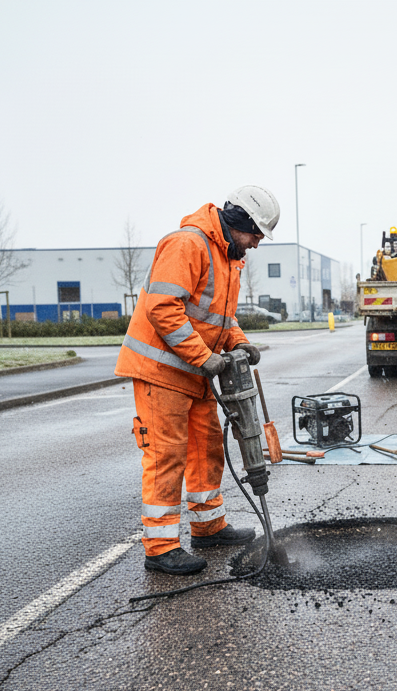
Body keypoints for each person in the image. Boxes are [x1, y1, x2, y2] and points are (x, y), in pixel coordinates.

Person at [114, 185, 281, 575]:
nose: (256, 244)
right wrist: (204, 358)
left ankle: (208, 527)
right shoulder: (187, 244)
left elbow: (220, 318)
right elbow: (163, 308)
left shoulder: (230, 257)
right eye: (255, 234)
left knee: (206, 448)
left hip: (196, 374)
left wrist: (240, 342)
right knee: (165, 456)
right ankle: (159, 547)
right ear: (238, 221)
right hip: (162, 372)